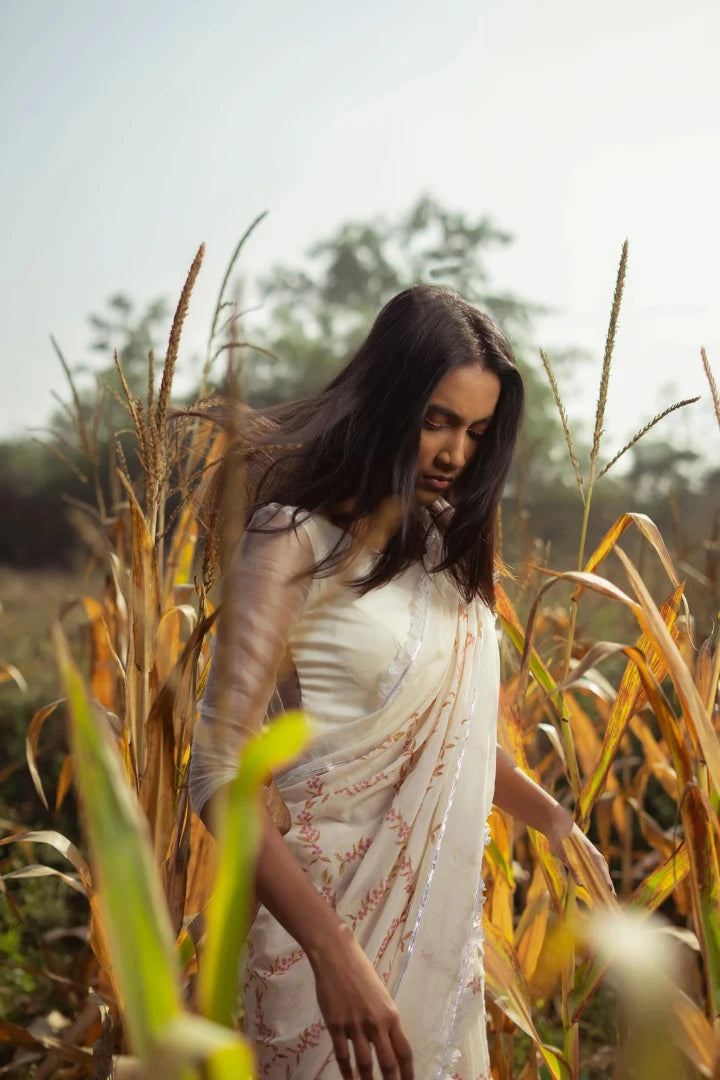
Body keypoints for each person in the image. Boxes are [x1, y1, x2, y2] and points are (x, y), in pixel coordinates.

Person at [188, 285, 612, 1080]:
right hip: (322, 945)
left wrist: (557, 823)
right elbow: (216, 771)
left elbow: (465, 745)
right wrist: (332, 950)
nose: (456, 455)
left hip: (437, 941)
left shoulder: (448, 557)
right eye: (437, 421)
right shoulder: (290, 541)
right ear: (387, 401)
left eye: (477, 433)